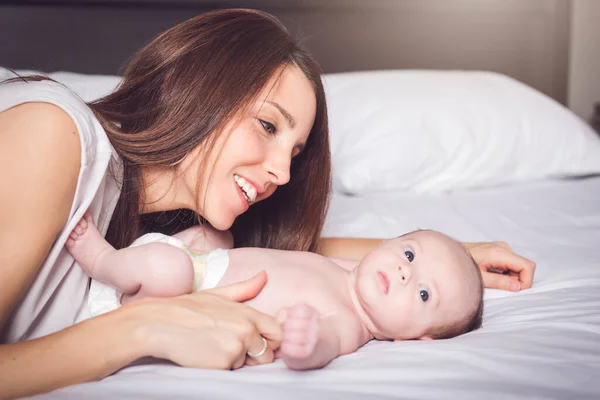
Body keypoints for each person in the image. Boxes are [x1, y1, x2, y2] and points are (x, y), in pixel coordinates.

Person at [0, 8, 535, 399]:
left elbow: (302, 257)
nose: (281, 172)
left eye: (294, 154)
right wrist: (141, 327)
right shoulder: (52, 136)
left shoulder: (168, 220)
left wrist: (452, 258)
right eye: (266, 125)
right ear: (198, 86)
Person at [66, 213, 484, 370]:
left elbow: (325, 343)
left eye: (425, 294)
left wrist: (305, 339)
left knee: (168, 268)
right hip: (201, 263)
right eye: (409, 253)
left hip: (176, 296)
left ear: (420, 339)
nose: (404, 272)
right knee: (220, 235)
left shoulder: (352, 323)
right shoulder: (352, 272)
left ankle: (101, 261)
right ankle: (148, 256)